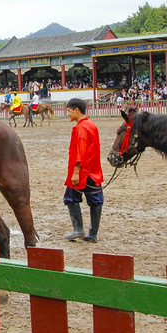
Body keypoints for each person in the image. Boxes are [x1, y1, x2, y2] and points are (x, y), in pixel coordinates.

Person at [62, 98, 104, 243]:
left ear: (76, 110)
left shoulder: (81, 128)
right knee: (96, 200)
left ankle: (78, 229)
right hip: (94, 171)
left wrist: (76, 171)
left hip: (83, 172)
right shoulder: (91, 125)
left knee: (70, 198)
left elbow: (80, 151)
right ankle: (93, 234)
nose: (67, 114)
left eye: (68, 110)